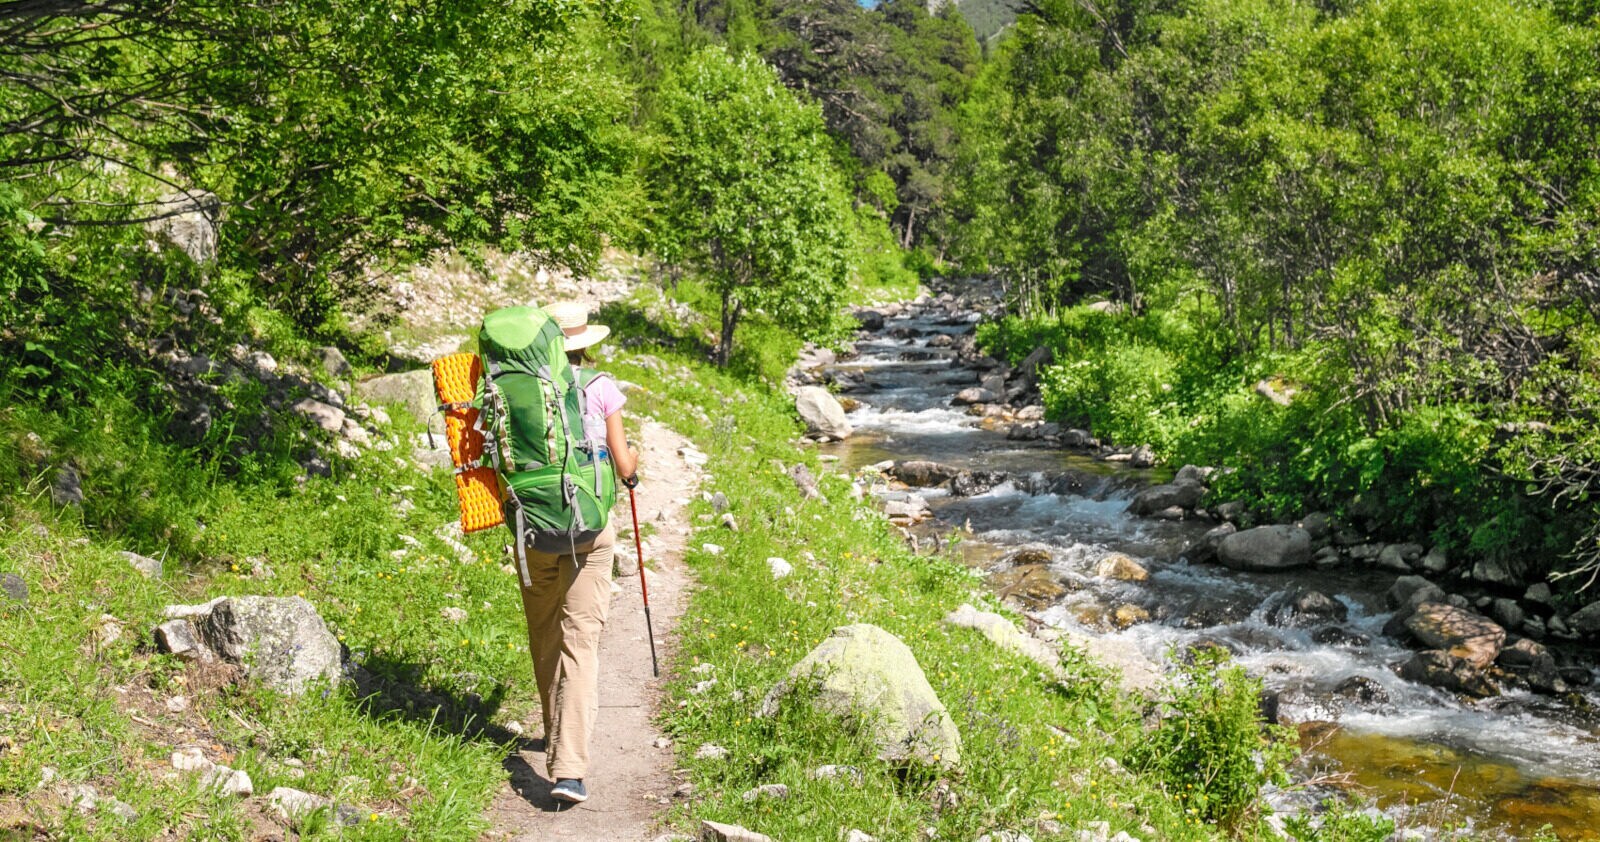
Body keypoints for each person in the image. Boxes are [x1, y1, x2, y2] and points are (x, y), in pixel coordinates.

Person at [516, 300, 638, 804]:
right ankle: (569, 770)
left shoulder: (519, 393)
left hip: (532, 530)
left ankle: (553, 731)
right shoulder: (600, 387)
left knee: (544, 634)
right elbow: (623, 461)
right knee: (579, 642)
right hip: (589, 532)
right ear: (586, 344)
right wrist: (633, 468)